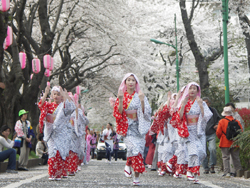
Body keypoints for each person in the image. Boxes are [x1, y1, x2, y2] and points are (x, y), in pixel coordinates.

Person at [113, 73, 152, 186]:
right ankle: (130, 168)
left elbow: (147, 113)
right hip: (127, 128)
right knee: (134, 148)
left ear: (136, 83)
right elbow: (118, 113)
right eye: (128, 80)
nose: (130, 82)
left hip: (138, 128)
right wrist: (120, 100)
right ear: (125, 83)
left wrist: (142, 100)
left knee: (138, 151)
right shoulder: (122, 96)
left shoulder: (140, 95)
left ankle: (135, 176)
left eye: (133, 80)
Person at [174, 82, 212, 184]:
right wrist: (182, 105)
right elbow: (179, 118)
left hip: (199, 130)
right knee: (193, 151)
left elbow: (206, 117)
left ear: (197, 90)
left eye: (194, 88)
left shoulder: (201, 102)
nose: (192, 90)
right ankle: (192, 172)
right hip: (188, 131)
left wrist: (201, 106)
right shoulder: (184, 102)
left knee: (201, 152)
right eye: (190, 88)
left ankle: (191, 170)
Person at [38, 85, 75, 180]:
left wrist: (65, 96)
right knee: (52, 152)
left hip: (61, 132)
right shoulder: (48, 105)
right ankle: (51, 173)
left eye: (58, 94)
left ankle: (58, 174)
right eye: (54, 94)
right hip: (51, 132)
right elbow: (41, 105)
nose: (56, 96)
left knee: (60, 153)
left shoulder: (63, 106)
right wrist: (45, 93)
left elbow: (71, 109)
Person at [216, 106, 243, 177]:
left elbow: (218, 132)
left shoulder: (221, 121)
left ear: (224, 113)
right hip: (235, 142)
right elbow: (241, 131)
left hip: (224, 142)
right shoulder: (236, 121)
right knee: (236, 157)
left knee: (225, 157)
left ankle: (227, 172)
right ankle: (238, 171)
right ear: (231, 113)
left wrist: (221, 138)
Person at [202, 97, 221, 174]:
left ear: (209, 103)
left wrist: (217, 124)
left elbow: (219, 119)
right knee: (203, 151)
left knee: (212, 149)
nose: (205, 104)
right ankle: (205, 167)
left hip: (211, 133)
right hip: (202, 134)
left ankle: (212, 165)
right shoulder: (199, 111)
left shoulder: (213, 110)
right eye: (203, 102)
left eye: (206, 102)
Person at [225, 102, 245, 177]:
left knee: (234, 156)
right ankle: (234, 171)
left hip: (236, 138)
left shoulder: (237, 116)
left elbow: (241, 128)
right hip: (229, 139)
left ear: (234, 109)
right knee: (231, 156)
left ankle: (235, 171)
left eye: (230, 108)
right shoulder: (226, 117)